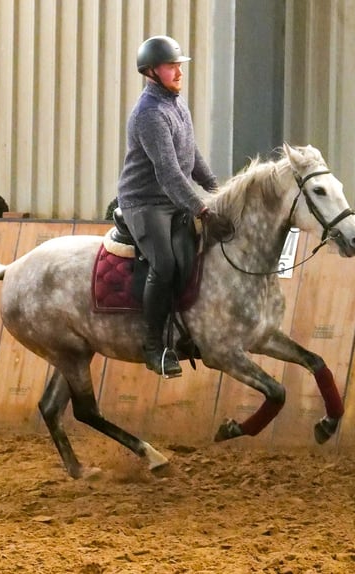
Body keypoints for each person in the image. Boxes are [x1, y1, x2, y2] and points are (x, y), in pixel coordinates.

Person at [117, 35, 231, 378]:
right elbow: (167, 172)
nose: (179, 71)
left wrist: (219, 191)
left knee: (194, 257)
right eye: (172, 66)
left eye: (179, 65)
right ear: (151, 72)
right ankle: (153, 347)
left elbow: (191, 156)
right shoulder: (148, 114)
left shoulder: (177, 104)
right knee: (165, 264)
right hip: (145, 202)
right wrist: (203, 210)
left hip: (173, 200)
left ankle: (188, 332)